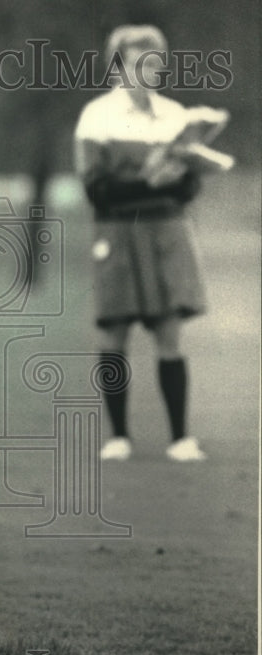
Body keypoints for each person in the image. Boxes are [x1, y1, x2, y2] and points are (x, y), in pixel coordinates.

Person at [73, 24, 224, 464]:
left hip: (167, 233)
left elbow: (187, 190)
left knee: (170, 333)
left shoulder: (175, 114)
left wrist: (177, 179)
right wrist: (149, 180)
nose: (151, 71)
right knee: (114, 332)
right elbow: (97, 191)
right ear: (118, 67)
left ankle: (180, 438)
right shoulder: (97, 116)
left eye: (156, 62)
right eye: (141, 62)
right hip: (118, 233)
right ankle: (119, 436)